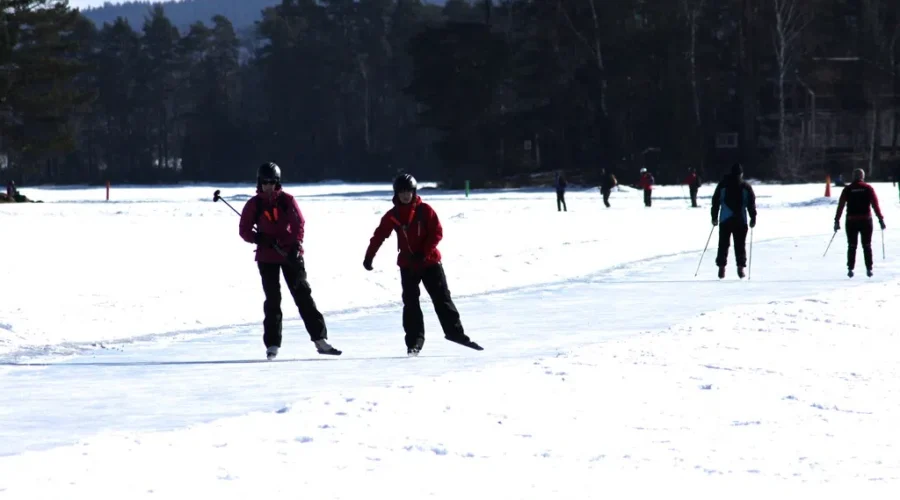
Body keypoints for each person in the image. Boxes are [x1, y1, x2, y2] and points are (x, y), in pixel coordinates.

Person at [363, 173, 483, 356]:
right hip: (408, 265)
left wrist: (423, 252)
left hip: (430, 263)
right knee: (410, 305)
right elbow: (379, 235)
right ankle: (414, 342)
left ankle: (455, 334)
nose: (405, 195)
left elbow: (437, 233)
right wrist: (369, 256)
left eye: (408, 191)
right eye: (402, 192)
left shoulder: (425, 210)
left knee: (442, 299)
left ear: (414, 192)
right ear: (396, 193)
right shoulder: (392, 215)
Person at [239, 162, 341, 360]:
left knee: (302, 295)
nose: (268, 186)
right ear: (259, 183)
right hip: (266, 258)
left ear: (278, 182)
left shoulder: (287, 200)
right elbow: (244, 230)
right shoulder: (254, 204)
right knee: (273, 300)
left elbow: (299, 224)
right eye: (265, 182)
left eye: (272, 182)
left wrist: (294, 245)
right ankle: (272, 344)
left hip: (290, 256)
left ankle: (320, 340)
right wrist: (258, 238)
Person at [834, 168, 885, 278]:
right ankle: (869, 268)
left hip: (851, 221)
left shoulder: (848, 189)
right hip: (866, 220)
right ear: (863, 176)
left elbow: (841, 206)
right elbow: (875, 205)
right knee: (867, 245)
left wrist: (837, 221)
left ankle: (850, 268)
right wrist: (880, 219)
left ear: (853, 177)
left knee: (852, 245)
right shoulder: (868, 188)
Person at [711, 162, 757, 279]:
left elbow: (715, 201)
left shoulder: (723, 185)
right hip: (740, 220)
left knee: (723, 244)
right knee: (740, 245)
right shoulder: (746, 186)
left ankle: (721, 268)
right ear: (741, 174)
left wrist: (714, 217)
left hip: (725, 220)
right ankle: (740, 268)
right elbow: (751, 204)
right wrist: (753, 217)